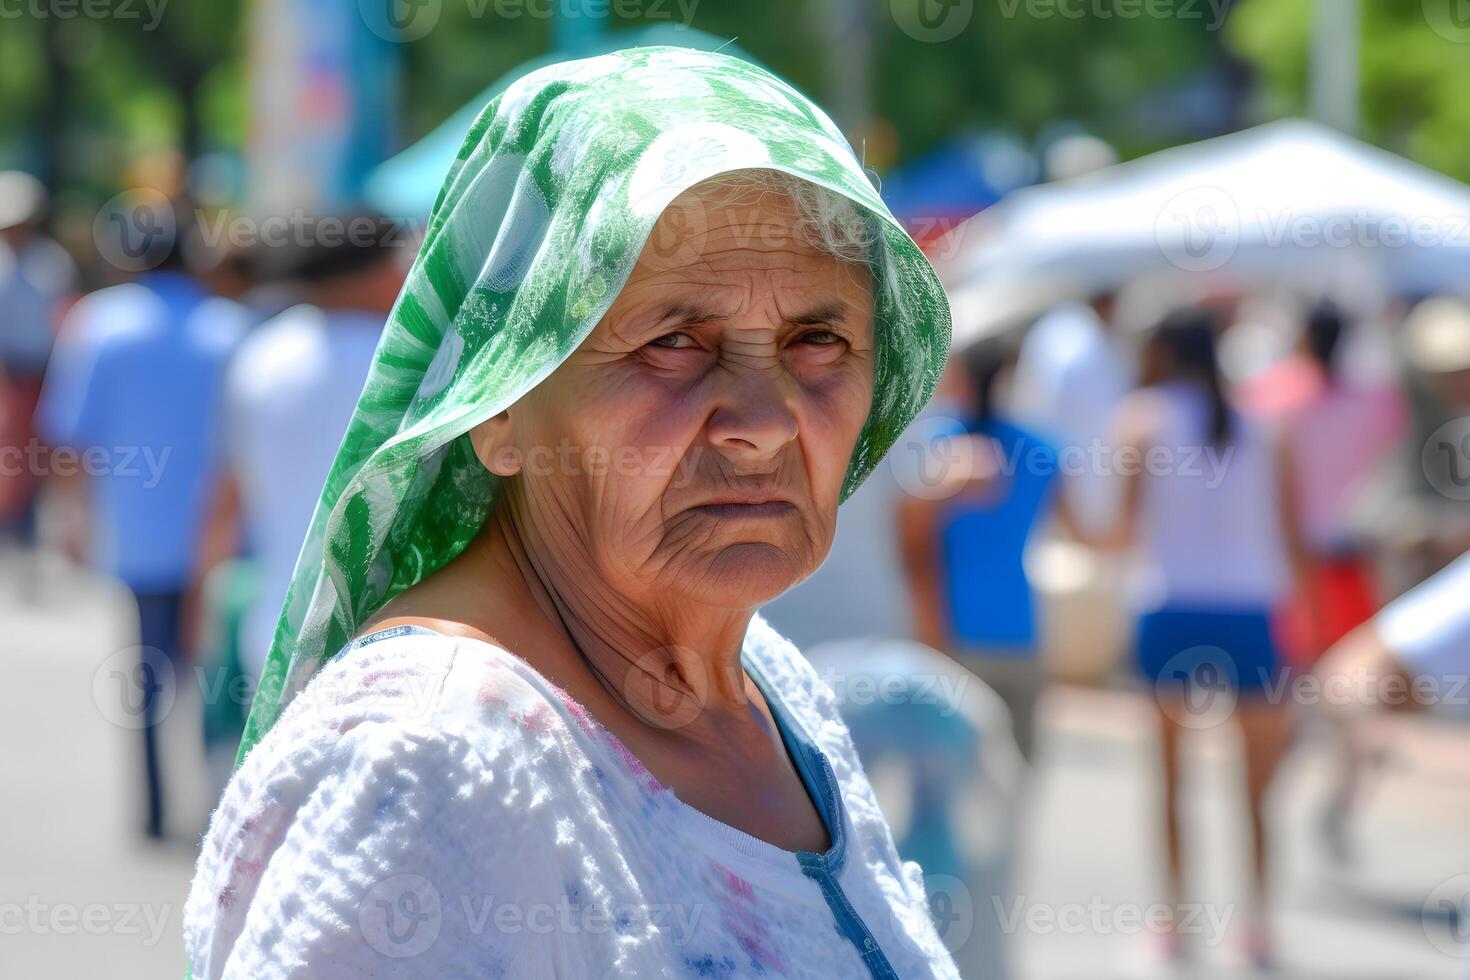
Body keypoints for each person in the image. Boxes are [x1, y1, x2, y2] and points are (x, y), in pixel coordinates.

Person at [185, 48, 958, 979]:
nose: (761, 422)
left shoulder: (769, 691)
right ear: (499, 408)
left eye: (819, 338)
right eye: (673, 341)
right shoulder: (431, 769)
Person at [1070, 305, 1307, 968]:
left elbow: (1118, 532)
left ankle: (1174, 921)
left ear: (1164, 352)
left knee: (1169, 779)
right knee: (1256, 789)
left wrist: (1068, 521)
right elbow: (1292, 536)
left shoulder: (1142, 418)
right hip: (1255, 612)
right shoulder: (1268, 423)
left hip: (1170, 610)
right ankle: (1257, 924)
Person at [36, 226, 247, 840]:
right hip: (223, 536)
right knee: (219, 671)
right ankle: (221, 807)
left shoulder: (101, 323)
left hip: (138, 533)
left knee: (147, 672)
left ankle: (153, 808)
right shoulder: (229, 329)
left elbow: (70, 434)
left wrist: (72, 519)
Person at [899, 337, 1059, 761]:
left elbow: (914, 545)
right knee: (1018, 773)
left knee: (947, 778)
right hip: (1020, 628)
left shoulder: (936, 445)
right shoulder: (1043, 448)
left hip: (954, 631)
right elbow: (1080, 529)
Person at [0, 171, 77, 556]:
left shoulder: (51, 262)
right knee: (10, 449)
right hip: (9, 372)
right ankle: (12, 520)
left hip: (48, 370)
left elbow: (64, 317)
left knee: (44, 446)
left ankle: (33, 517)